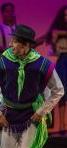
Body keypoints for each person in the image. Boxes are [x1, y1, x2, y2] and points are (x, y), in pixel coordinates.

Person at [37, 5, 67, 133]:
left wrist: (60, 32)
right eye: (65, 15)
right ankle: (61, 124)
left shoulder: (59, 32)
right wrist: (55, 41)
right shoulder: (57, 33)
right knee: (61, 92)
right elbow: (55, 52)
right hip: (63, 60)